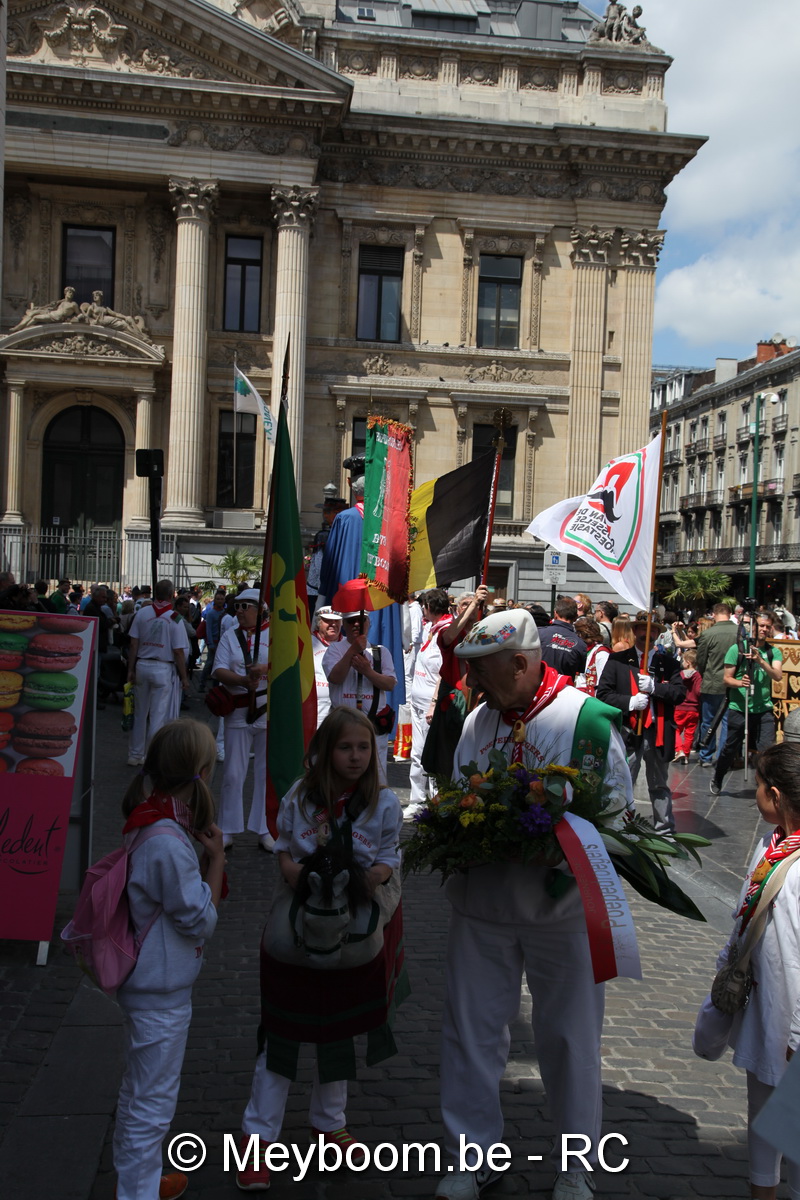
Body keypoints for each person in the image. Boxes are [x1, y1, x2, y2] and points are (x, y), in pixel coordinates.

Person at [434, 609, 633, 1200]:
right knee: (470, 1034)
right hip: (483, 906)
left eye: (482, 671)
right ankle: (472, 1157)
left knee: (570, 1040)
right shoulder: (478, 720)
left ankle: (576, 1164)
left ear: (520, 663)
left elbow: (617, 815)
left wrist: (564, 847)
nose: (472, 683)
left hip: (562, 911)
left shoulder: (586, 723)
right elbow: (458, 791)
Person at [235, 707, 405, 1191]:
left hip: (354, 924)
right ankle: (257, 1139)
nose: (355, 756)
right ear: (326, 751)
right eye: (345, 747)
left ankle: (330, 1124)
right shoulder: (300, 797)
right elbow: (285, 850)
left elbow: (388, 856)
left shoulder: (383, 803)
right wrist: (296, 872)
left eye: (363, 747)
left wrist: (370, 878)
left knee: (338, 1028)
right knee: (283, 1030)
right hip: (301, 921)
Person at [113, 719, 225, 1200]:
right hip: (159, 990)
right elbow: (199, 919)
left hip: (152, 985)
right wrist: (216, 861)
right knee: (152, 1102)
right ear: (202, 772)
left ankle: (138, 1178)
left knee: (140, 1092)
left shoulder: (152, 823)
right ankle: (136, 1189)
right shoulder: (165, 840)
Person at [709, 743, 800, 1200]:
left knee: (793, 1121)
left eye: (759, 787)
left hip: (792, 1020)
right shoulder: (770, 846)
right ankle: (762, 1188)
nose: (757, 794)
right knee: (763, 1110)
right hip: (766, 1002)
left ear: (776, 795)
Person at [318, 454, 405, 713]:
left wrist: (321, 604)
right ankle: (382, 712)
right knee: (382, 653)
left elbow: (329, 567)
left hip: (350, 600)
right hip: (383, 601)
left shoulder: (345, 519)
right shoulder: (390, 522)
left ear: (350, 483)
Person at [597, 611, 685, 834]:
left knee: (659, 783)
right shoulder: (617, 660)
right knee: (623, 781)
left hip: (657, 731)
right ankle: (618, 825)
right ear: (635, 631)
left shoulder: (669, 663)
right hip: (629, 730)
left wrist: (656, 687)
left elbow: (679, 694)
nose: (648, 634)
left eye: (653, 630)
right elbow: (604, 694)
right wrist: (630, 702)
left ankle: (664, 829)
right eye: (644, 629)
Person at [212, 588, 271, 851]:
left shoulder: (275, 634)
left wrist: (265, 668)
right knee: (233, 773)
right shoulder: (230, 635)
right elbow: (218, 669)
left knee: (265, 773)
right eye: (237, 606)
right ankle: (227, 828)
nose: (239, 612)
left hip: (267, 711)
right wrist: (242, 681)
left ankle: (265, 828)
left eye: (245, 607)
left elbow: (289, 663)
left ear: (260, 610)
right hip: (237, 710)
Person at [711, 615, 783, 796]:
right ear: (753, 627)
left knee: (766, 750)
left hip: (763, 708)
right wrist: (739, 683)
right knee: (730, 747)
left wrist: (760, 661)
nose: (764, 629)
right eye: (761, 626)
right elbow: (726, 679)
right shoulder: (737, 649)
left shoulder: (773, 652)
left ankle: (765, 786)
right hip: (740, 707)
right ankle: (719, 775)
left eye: (767, 626)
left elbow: (777, 675)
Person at [323, 611, 397, 784]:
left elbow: (390, 684)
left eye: (361, 620)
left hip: (373, 727)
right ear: (344, 624)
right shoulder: (335, 649)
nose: (356, 624)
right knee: (341, 776)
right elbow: (335, 678)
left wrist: (368, 671)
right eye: (351, 621)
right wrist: (353, 650)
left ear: (368, 623)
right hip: (343, 726)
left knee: (376, 779)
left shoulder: (380, 652)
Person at [126, 580, 190, 767]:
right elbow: (179, 651)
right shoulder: (175, 618)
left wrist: (130, 668)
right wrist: (184, 677)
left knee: (140, 713)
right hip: (163, 667)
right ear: (172, 595)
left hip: (142, 665)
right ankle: (151, 756)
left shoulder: (142, 613)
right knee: (158, 715)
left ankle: (135, 754)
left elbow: (133, 644)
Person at [409, 588, 453, 808]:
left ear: (428, 607)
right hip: (417, 701)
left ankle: (437, 802)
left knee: (432, 753)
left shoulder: (446, 632)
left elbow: (443, 672)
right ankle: (416, 800)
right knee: (416, 753)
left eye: (423, 606)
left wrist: (434, 704)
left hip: (430, 704)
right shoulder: (430, 628)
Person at [696, 604, 739, 767]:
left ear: (714, 615)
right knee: (728, 722)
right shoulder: (739, 632)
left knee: (708, 721)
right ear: (730, 614)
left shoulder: (708, 634)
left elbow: (701, 660)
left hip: (712, 682)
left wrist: (705, 674)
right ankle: (724, 757)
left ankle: (706, 756)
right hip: (733, 683)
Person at [538, 596, 587, 680]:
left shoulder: (539, 633)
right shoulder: (581, 645)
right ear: (576, 617)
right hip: (563, 686)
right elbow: (579, 672)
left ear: (555, 613)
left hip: (540, 685)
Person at [312, 605, 343, 727]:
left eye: (337, 621)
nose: (333, 624)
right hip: (315, 707)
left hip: (341, 708)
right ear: (318, 623)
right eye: (328, 621)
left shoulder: (349, 645)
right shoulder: (306, 642)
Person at [673, 648, 702, 764]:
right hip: (694, 709)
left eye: (683, 661)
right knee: (689, 733)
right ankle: (686, 755)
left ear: (688, 662)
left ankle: (679, 750)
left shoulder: (680, 675)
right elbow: (699, 691)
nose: (682, 663)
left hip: (680, 707)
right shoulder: (698, 676)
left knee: (675, 730)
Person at [573, 616, 609, 696]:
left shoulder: (601, 653)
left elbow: (603, 683)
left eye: (577, 633)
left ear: (581, 635)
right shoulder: (580, 651)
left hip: (591, 698)